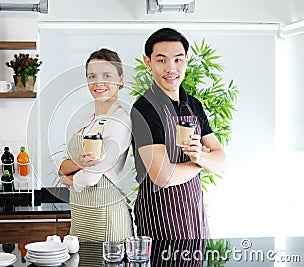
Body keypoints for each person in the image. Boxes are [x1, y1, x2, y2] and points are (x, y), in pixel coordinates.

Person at [131, 28, 227, 240]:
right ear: (148, 63)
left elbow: (221, 162)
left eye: (177, 59)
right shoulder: (144, 109)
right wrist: (201, 161)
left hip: (194, 216)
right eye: (161, 60)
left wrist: (201, 156)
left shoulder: (194, 105)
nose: (171, 68)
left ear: (186, 60)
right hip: (160, 219)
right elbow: (163, 176)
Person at [56, 48, 133, 242]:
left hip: (107, 220)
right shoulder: (87, 120)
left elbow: (90, 178)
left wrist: (67, 177)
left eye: (107, 75)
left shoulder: (120, 121)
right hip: (81, 219)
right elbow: (59, 164)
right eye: (92, 76)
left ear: (121, 79)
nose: (98, 82)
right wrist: (75, 167)